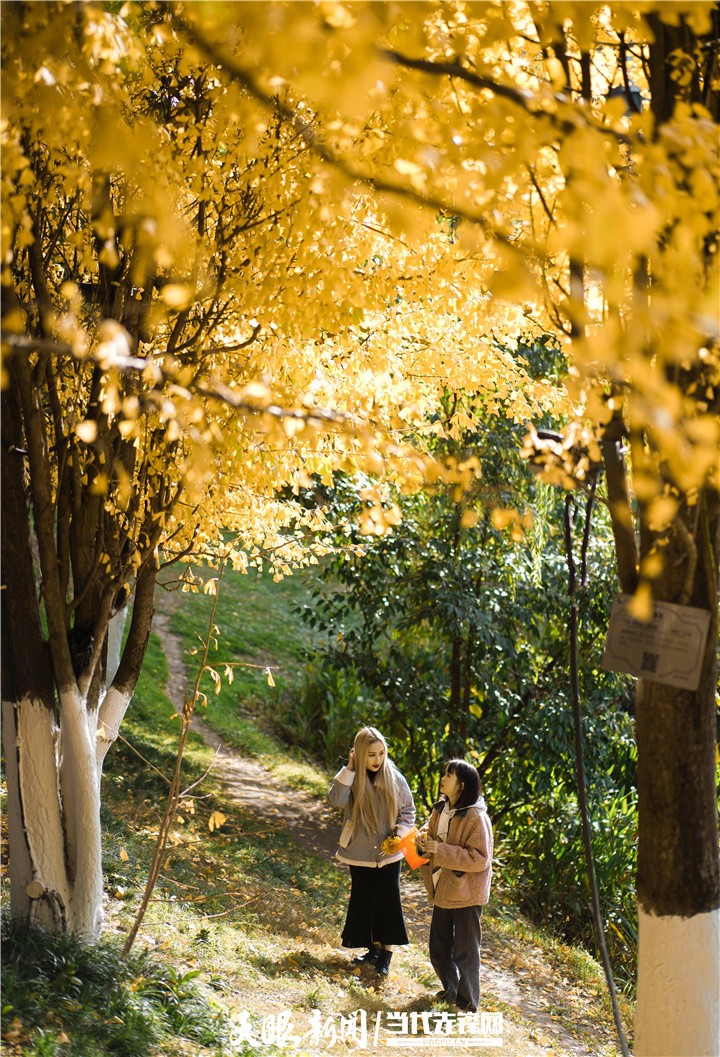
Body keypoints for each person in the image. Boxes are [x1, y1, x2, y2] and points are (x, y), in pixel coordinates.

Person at [327, 725, 415, 977]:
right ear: (360, 754)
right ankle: (372, 949)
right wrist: (350, 768)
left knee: (388, 901)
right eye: (371, 755)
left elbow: (408, 811)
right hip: (360, 851)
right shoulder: (352, 778)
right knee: (364, 900)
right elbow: (335, 800)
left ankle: (386, 954)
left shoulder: (395, 778)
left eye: (381, 754)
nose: (377, 760)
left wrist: (400, 833)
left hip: (390, 852)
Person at [415, 759, 493, 1012]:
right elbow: (431, 835)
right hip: (442, 889)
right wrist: (421, 840)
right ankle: (451, 992)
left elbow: (480, 858)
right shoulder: (441, 809)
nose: (443, 778)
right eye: (444, 773)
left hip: (467, 895)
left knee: (465, 953)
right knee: (438, 949)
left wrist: (441, 850)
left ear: (461, 785)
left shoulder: (475, 816)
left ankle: (467, 1003)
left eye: (448, 775)